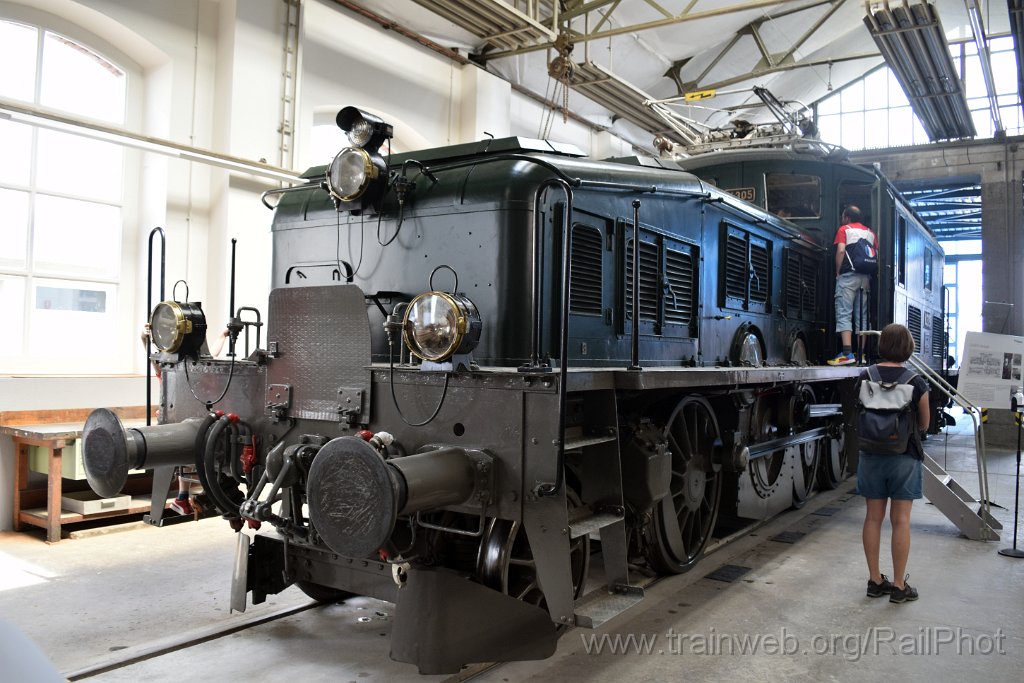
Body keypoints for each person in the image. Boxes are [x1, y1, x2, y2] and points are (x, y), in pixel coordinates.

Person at [858, 323, 929, 604]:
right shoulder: (916, 381)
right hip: (904, 457)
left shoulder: (865, 376)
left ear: (882, 345)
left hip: (870, 455)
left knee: (872, 518)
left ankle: (875, 581)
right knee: (900, 520)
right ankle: (899, 586)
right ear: (908, 348)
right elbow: (924, 423)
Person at [141, 323, 229, 515]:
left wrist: (222, 336)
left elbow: (211, 356)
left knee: (189, 457)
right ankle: (186, 497)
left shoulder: (195, 369)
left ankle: (184, 498)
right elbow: (154, 359)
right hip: (175, 420)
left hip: (189, 419)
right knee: (186, 455)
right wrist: (144, 339)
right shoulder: (171, 369)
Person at [828, 205, 877, 366]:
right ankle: (861, 354)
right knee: (862, 316)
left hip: (848, 276)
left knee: (844, 312)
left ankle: (847, 353)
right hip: (865, 278)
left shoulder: (845, 229)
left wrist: (838, 272)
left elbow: (841, 251)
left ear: (847, 217)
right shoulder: (870, 233)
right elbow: (875, 254)